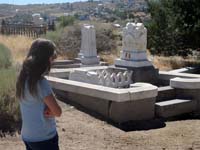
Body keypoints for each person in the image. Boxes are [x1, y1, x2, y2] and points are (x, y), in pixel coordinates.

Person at [16, 38, 62, 150]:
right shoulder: (41, 83)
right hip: (44, 138)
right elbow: (58, 112)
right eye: (52, 59)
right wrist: (51, 111)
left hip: (27, 136)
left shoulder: (22, 79)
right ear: (47, 59)